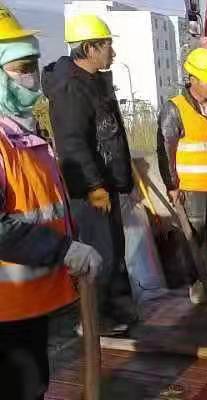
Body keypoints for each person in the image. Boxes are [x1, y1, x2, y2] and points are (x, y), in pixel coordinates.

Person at [0, 8, 102, 399]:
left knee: (34, 386)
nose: (33, 78)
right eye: (22, 69)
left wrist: (66, 247)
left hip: (26, 304)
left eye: (34, 66)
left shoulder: (23, 134)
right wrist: (64, 249)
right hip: (5, 312)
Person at [42, 14, 135, 334]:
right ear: (90, 48)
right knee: (100, 254)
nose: (113, 51)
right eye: (107, 45)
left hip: (106, 183)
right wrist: (94, 186)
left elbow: (108, 134)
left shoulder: (93, 81)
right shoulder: (70, 88)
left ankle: (108, 310)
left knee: (113, 251)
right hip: (91, 190)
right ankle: (91, 321)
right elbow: (72, 143)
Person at [157, 47, 207, 304]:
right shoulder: (175, 109)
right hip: (192, 189)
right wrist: (172, 185)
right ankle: (196, 283)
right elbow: (165, 150)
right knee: (193, 239)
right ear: (192, 78)